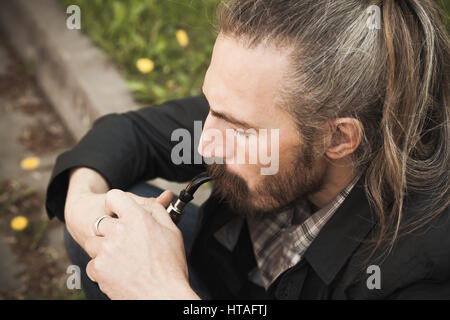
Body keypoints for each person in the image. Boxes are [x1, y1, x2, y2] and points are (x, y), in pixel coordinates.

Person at [46, 0, 450, 299]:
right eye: (212, 108)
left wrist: (159, 290)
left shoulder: (421, 269)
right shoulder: (258, 107)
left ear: (339, 138)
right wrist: (84, 208)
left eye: (238, 129)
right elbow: (127, 133)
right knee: (118, 216)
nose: (203, 143)